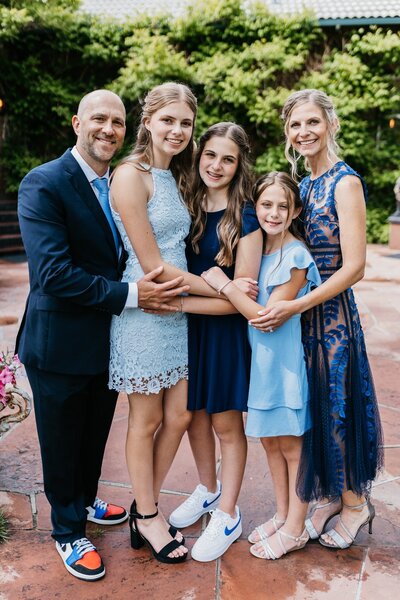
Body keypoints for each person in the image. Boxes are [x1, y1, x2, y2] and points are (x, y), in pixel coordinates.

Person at [16, 89, 188, 581]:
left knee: (93, 434)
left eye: (116, 121)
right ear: (77, 123)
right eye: (98, 119)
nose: (108, 129)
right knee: (62, 439)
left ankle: (86, 501)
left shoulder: (117, 182)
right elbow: (53, 274)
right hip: (58, 342)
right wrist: (134, 295)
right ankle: (68, 532)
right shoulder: (44, 182)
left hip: (106, 338)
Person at [249, 89, 384, 550]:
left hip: (330, 319)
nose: (303, 132)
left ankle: (355, 504)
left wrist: (296, 305)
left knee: (336, 411)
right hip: (296, 320)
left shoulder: (345, 183)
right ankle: (312, 502)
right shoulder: (299, 185)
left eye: (312, 122)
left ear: (330, 123)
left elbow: (355, 267)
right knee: (308, 417)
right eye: (295, 125)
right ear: (287, 133)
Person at [108, 82, 228, 564]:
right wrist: (225, 288)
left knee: (178, 416)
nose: (178, 131)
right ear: (148, 121)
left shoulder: (175, 176)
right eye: (169, 120)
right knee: (147, 418)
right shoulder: (130, 176)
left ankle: (143, 507)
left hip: (176, 310)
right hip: (149, 303)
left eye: (186, 123)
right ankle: (149, 514)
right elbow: (152, 262)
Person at [202, 171, 321, 560]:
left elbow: (266, 317)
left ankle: (296, 526)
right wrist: (234, 283)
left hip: (284, 367)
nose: (273, 213)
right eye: (266, 205)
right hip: (260, 368)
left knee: (292, 446)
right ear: (255, 208)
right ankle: (283, 513)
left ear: (295, 210)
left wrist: (224, 285)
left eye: (282, 206)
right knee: (270, 442)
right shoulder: (257, 252)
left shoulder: (297, 256)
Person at [168, 122, 262, 562]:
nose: (216, 165)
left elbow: (237, 303)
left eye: (227, 158)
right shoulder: (185, 203)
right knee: (194, 418)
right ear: (198, 154)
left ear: (239, 163)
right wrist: (209, 287)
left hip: (222, 334)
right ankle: (207, 490)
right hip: (186, 333)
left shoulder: (247, 216)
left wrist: (179, 304)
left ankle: (228, 512)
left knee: (226, 425)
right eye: (210, 155)